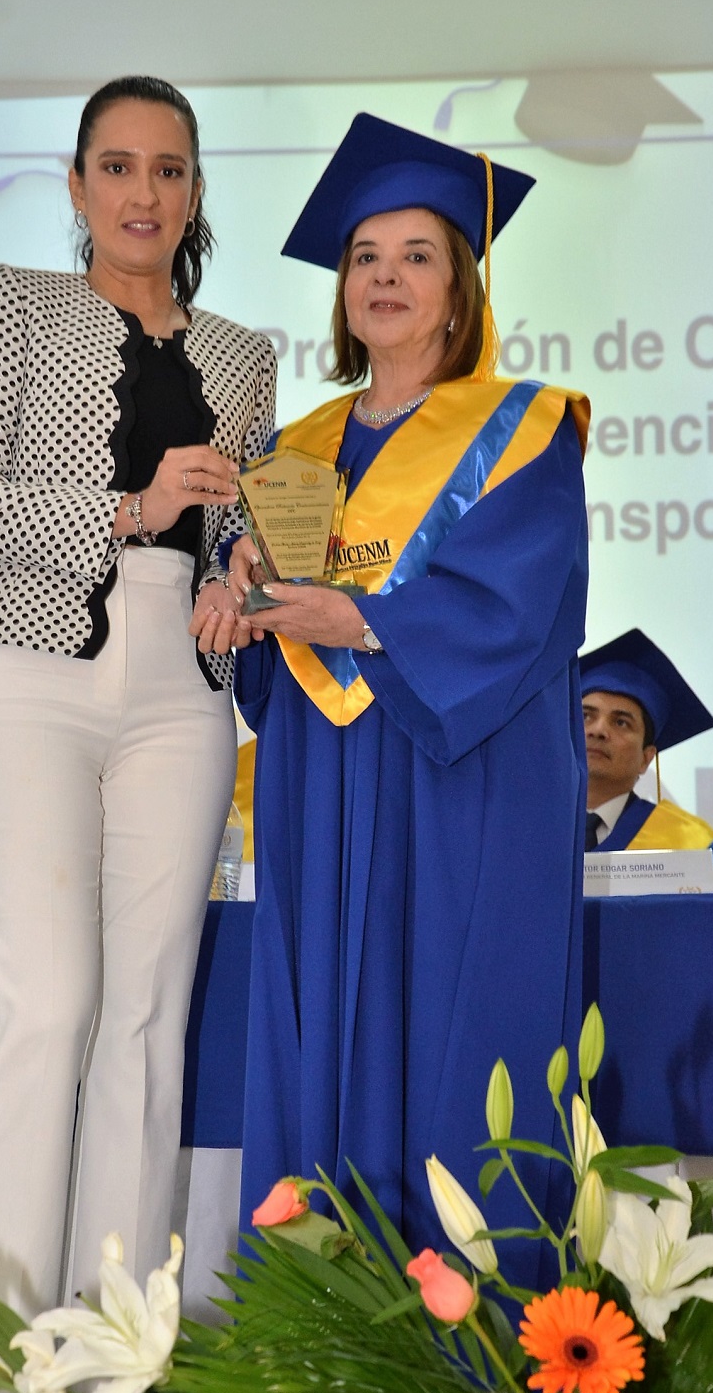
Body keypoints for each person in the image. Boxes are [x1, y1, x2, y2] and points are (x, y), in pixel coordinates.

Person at [0, 75, 276, 1319]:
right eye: (117, 166)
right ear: (77, 186)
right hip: (28, 666)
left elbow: (242, 530)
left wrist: (241, 568)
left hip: (181, 689)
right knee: (48, 1005)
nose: (144, 192)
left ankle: (113, 1357)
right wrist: (131, 507)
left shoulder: (243, 354)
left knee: (146, 1015)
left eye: (168, 169)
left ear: (195, 191)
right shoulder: (14, 302)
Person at [227, 113, 590, 1276]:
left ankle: (470, 1348)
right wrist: (238, 587)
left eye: (416, 256)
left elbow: (517, 607)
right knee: (316, 1021)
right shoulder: (293, 449)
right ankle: (319, 1338)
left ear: (457, 290)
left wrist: (365, 621)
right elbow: (268, 649)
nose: (384, 277)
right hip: (322, 775)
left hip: (456, 771)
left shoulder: (524, 430)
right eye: (363, 257)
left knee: (454, 1028)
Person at [581, 628, 713, 888]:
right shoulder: (525, 828)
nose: (598, 730)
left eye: (621, 722)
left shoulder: (695, 848)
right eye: (585, 716)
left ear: (646, 758)